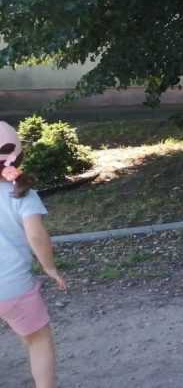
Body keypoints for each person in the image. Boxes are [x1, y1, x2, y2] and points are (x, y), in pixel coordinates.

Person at [0, 122, 68, 388]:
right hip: (12, 287)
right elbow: (37, 237)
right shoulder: (22, 195)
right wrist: (49, 267)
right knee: (38, 339)